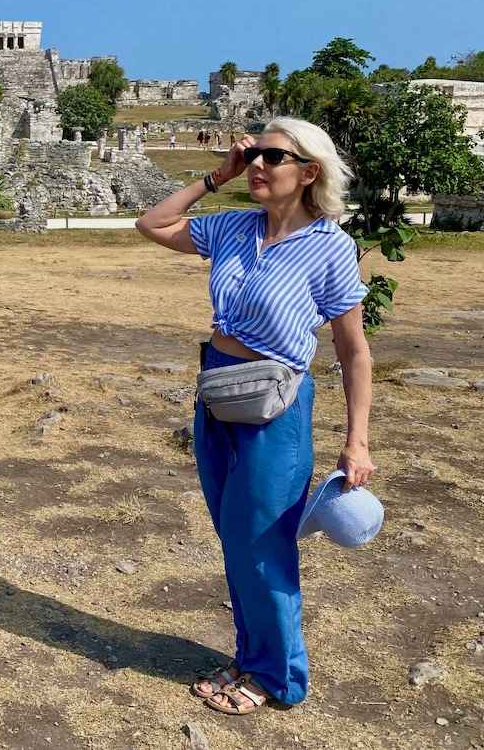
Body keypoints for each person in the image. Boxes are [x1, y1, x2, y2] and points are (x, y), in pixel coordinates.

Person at [134, 117, 375, 716]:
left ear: (309, 172)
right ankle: (252, 656)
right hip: (218, 394)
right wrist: (219, 175)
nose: (259, 164)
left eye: (273, 156)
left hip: (277, 409)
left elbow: (353, 350)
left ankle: (277, 678)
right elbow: (152, 224)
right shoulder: (233, 227)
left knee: (264, 544)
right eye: (254, 153)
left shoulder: (330, 246)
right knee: (234, 539)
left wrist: (357, 443)